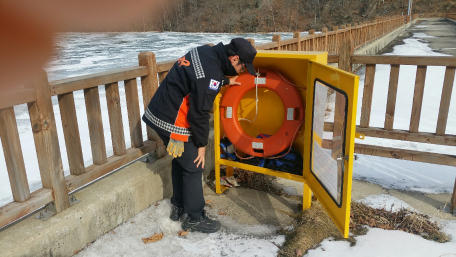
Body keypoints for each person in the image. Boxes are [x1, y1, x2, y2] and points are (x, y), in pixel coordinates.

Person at [142, 38, 257, 233]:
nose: (243, 70)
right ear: (235, 58)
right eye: (243, 66)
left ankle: (178, 205)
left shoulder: (206, 52)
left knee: (181, 161)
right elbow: (199, 114)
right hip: (173, 119)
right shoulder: (211, 74)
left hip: (159, 111)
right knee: (195, 165)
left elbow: (199, 78)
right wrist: (201, 145)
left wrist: (227, 80)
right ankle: (194, 218)